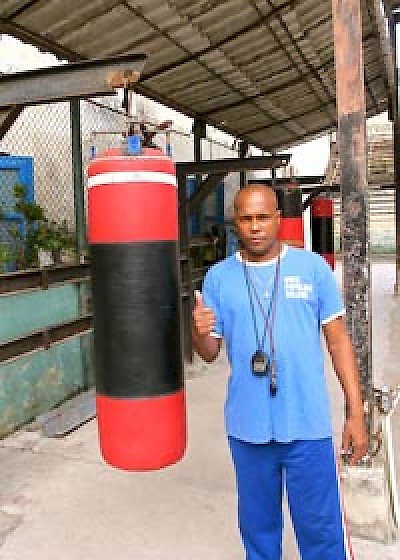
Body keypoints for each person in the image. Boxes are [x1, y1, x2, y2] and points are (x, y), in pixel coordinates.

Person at [192, 184, 368, 560]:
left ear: (279, 219)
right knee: (258, 530)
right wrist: (199, 332)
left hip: (308, 426)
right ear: (235, 224)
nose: (255, 226)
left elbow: (338, 342)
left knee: (321, 530)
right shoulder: (219, 278)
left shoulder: (312, 269)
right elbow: (209, 354)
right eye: (246, 218)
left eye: (263, 217)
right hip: (248, 428)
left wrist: (356, 413)